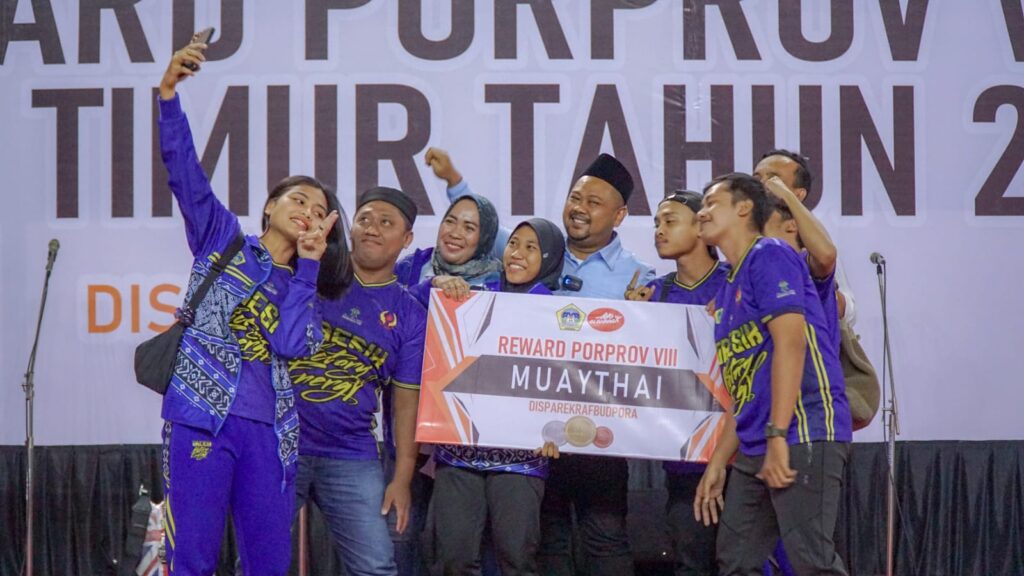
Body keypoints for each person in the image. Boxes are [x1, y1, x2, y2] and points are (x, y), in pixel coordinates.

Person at [157, 41, 350, 575]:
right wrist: (168, 96)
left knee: (268, 564)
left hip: (270, 432)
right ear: (269, 206)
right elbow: (185, 174)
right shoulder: (222, 239)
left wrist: (308, 268)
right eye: (297, 200)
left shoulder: (305, 286)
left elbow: (289, 344)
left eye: (318, 211)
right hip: (201, 417)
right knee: (192, 557)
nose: (307, 212)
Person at [428, 147, 654, 575]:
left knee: (605, 539)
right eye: (575, 198)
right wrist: (454, 179)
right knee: (545, 545)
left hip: (596, 435)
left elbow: (648, 348)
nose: (579, 208)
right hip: (531, 441)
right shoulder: (539, 247)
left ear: (620, 215)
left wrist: (642, 317)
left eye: (594, 202)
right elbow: (484, 227)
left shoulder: (638, 276)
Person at [693, 173, 852, 576]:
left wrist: (779, 434)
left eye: (712, 203)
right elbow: (743, 388)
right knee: (736, 560)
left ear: (744, 208)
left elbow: (791, 344)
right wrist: (718, 462)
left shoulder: (770, 254)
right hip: (757, 443)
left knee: (812, 562)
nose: (702, 212)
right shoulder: (726, 290)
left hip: (804, 428)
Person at [289, 187, 427, 576]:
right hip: (281, 444)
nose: (372, 228)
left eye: (386, 223)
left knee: (376, 567)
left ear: (407, 239)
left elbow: (406, 404)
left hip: (351, 453)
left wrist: (401, 479)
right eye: (364, 219)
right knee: (257, 563)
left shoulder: (409, 314)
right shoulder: (312, 273)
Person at [427, 218, 566, 576]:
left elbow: (568, 384)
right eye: (514, 243)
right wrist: (435, 284)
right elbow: (412, 305)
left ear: (549, 259)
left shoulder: (559, 316)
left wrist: (559, 430)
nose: (517, 253)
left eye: (531, 248)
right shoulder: (471, 296)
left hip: (522, 459)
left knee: (516, 559)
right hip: (459, 452)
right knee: (454, 559)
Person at [625, 190, 728, 576]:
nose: (659, 230)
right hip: (685, 458)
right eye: (656, 223)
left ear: (702, 227)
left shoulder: (734, 282)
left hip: (740, 451)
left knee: (743, 562)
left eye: (670, 221)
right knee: (692, 561)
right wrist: (631, 319)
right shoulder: (655, 294)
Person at [753, 150, 855, 327]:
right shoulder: (741, 243)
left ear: (798, 194)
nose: (762, 184)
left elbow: (849, 313)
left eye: (773, 179)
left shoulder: (812, 248)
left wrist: (816, 291)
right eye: (756, 179)